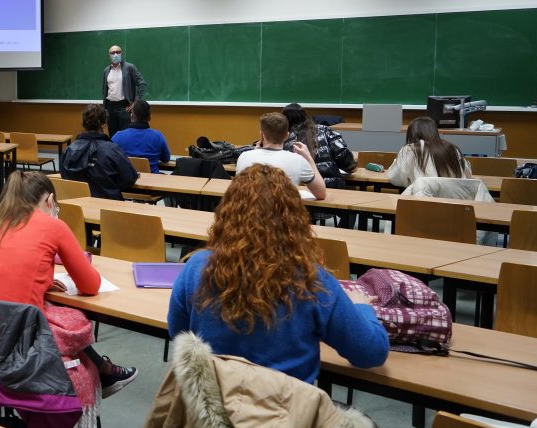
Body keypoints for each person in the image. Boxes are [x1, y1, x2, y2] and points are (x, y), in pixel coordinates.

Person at [167, 164, 389, 383]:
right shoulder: (313, 280)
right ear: (294, 219)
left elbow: (179, 335)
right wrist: (363, 308)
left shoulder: (196, 267)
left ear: (227, 213)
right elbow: (371, 353)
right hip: (286, 413)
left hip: (212, 409)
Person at [0, 171, 139, 397]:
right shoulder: (53, 226)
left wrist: (44, 280)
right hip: (21, 340)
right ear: (50, 201)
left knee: (53, 312)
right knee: (74, 319)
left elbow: (7, 271)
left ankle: (105, 371)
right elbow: (90, 285)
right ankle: (103, 372)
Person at [235, 112, 326, 200]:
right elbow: (321, 194)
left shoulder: (244, 157)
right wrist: (309, 158)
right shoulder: (298, 161)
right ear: (287, 136)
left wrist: (255, 152)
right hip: (283, 214)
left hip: (250, 214)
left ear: (261, 135)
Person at [60, 104, 138, 200]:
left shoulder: (69, 150)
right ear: (104, 124)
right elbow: (129, 179)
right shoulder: (112, 149)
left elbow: (64, 177)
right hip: (107, 210)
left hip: (78, 208)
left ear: (83, 124)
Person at [283, 103, 356, 189]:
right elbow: (347, 162)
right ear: (305, 116)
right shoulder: (325, 131)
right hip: (330, 186)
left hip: (297, 189)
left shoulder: (284, 139)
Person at [387, 116, 471, 188]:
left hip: (425, 200)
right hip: (456, 201)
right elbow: (467, 176)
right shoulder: (452, 147)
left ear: (412, 133)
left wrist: (396, 163)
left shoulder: (411, 149)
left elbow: (396, 179)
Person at [111, 99, 171, 173]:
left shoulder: (117, 137)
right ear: (150, 117)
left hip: (127, 182)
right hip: (152, 182)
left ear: (131, 116)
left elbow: (111, 161)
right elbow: (166, 159)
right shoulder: (158, 137)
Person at [102, 44, 146, 138]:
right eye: (112, 53)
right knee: (113, 137)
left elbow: (142, 84)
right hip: (110, 108)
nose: (115, 54)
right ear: (108, 55)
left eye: (118, 52)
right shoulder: (106, 71)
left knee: (126, 136)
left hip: (124, 107)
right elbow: (104, 90)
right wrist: (104, 108)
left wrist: (135, 102)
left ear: (121, 53)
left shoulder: (129, 67)